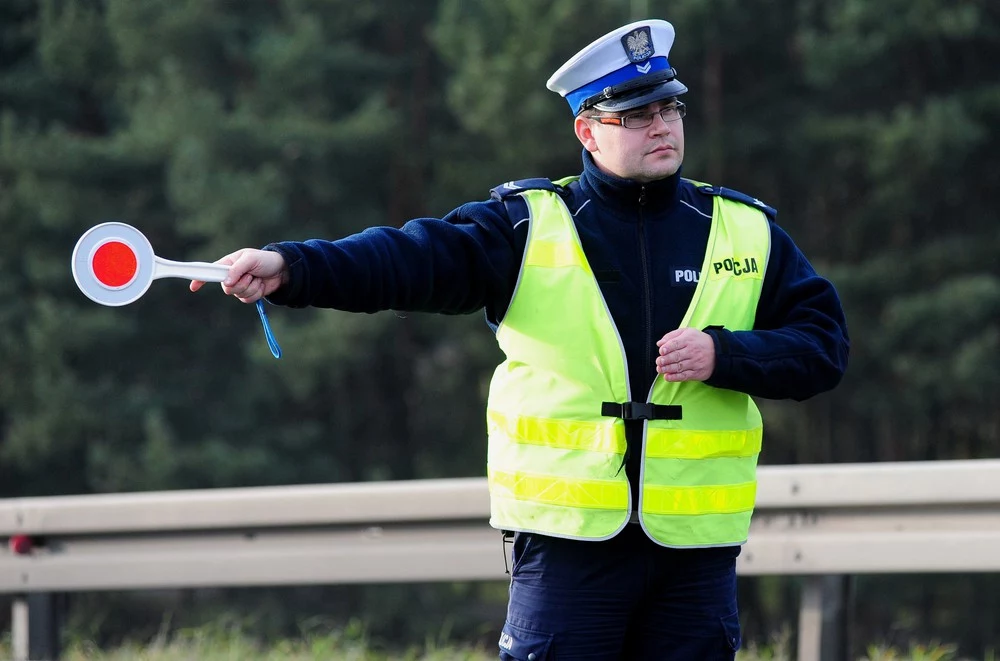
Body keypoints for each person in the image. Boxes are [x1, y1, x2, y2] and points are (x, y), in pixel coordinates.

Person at [192, 18, 849, 661]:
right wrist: (292, 267)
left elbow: (825, 347)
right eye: (637, 115)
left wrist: (726, 354)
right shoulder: (525, 224)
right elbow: (404, 260)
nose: (662, 126)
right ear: (587, 132)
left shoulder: (747, 231)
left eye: (671, 110)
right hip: (568, 547)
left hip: (695, 557)